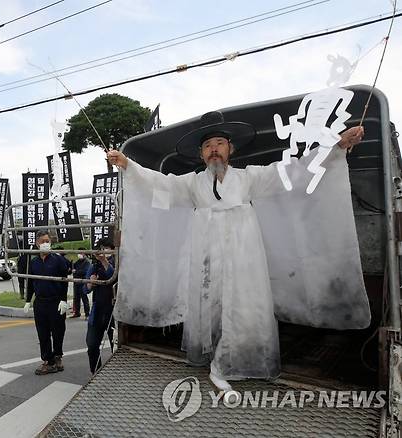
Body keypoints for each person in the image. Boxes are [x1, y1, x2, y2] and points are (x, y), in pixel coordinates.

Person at [107, 111, 367, 392]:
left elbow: (293, 171)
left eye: (219, 143)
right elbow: (161, 185)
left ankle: (237, 361)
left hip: (243, 254)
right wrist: (128, 165)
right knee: (209, 304)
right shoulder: (193, 183)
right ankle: (213, 354)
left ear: (230, 149)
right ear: (201, 154)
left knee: (243, 304)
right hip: (206, 254)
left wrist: (335, 146)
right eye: (208, 146)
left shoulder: (250, 178)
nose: (214, 150)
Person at [23, 230, 70, 375]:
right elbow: (30, 282)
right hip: (40, 302)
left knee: (58, 331)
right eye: (42, 241)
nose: (45, 244)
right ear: (37, 243)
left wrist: (63, 300)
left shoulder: (58, 260)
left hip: (55, 301)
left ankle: (57, 357)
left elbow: (64, 281)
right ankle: (47, 360)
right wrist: (28, 300)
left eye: (47, 241)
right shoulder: (34, 262)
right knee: (42, 333)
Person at [84, 238, 116, 373]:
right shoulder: (94, 266)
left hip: (114, 311)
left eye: (107, 248)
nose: (104, 251)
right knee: (91, 345)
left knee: (116, 345)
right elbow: (85, 289)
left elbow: (113, 276)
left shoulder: (117, 263)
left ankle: (117, 375)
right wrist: (90, 283)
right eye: (101, 248)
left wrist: (104, 261)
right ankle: (95, 371)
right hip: (98, 310)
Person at [71, 247, 91, 318]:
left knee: (84, 298)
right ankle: (77, 312)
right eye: (78, 253)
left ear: (84, 253)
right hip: (76, 282)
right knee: (76, 298)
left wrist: (76, 271)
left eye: (81, 253)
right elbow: (73, 270)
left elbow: (85, 271)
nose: (79, 254)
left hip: (83, 282)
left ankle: (87, 313)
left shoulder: (87, 262)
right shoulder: (77, 262)